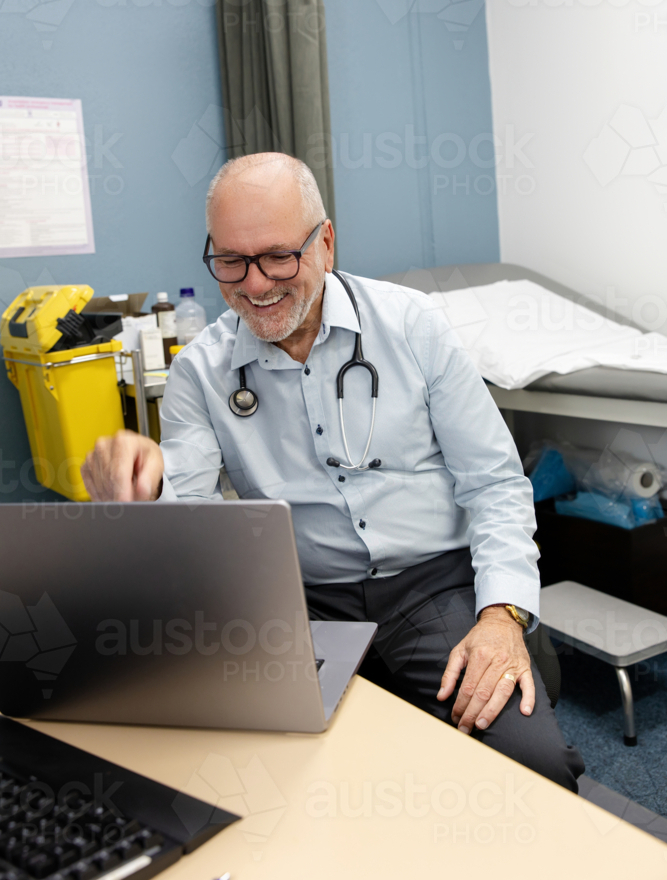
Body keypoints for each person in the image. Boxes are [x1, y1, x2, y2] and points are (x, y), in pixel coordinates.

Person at [83, 152, 583, 789]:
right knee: (266, 774)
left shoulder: (412, 326)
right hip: (303, 601)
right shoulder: (200, 372)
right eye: (231, 261)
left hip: (434, 587)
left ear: (325, 243)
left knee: (533, 769)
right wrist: (147, 486)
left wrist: (500, 617)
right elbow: (192, 521)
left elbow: (495, 483)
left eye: (277, 257)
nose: (255, 284)